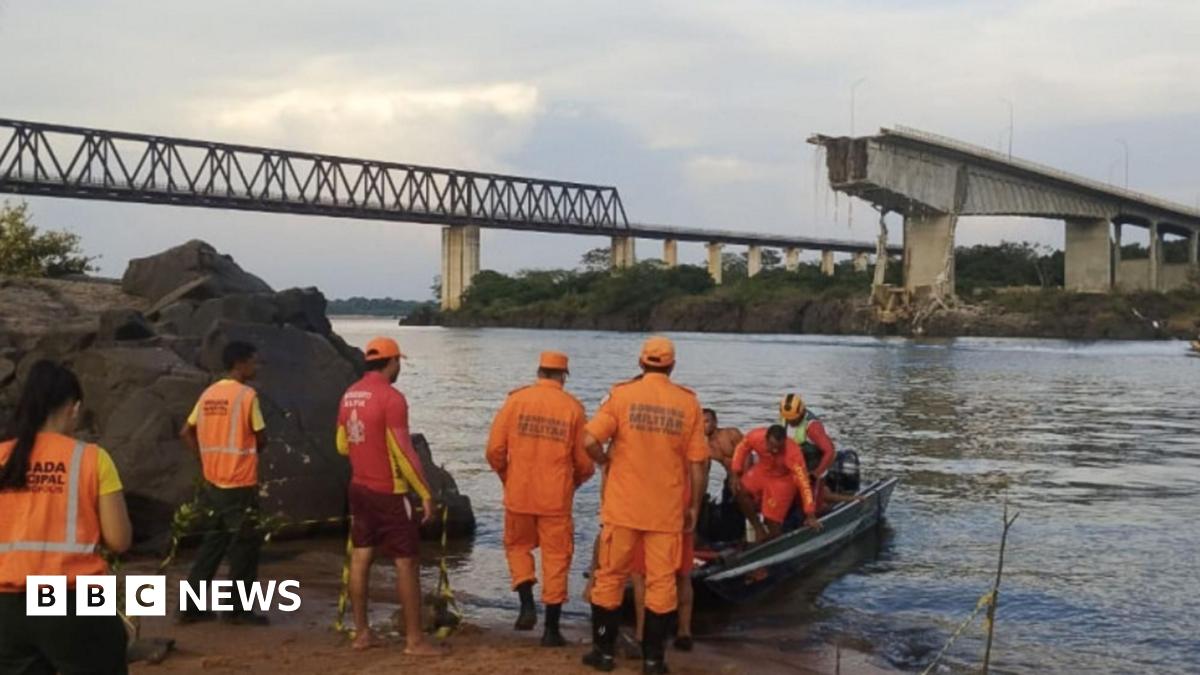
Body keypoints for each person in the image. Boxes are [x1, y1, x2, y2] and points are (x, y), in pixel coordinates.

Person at [581, 336, 709, 674]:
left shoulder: (621, 396)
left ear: (641, 363)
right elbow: (698, 463)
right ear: (672, 366)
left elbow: (589, 439)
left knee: (609, 579)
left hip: (622, 509)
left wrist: (604, 460)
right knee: (661, 584)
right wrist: (694, 507)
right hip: (666, 513)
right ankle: (654, 660)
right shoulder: (688, 403)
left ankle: (603, 653)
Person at [0, 360, 133, 674]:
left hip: (5, 607)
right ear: (73, 408)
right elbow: (119, 540)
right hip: (72, 601)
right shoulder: (91, 458)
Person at [335, 336, 443, 656]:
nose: (399, 368)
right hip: (389, 491)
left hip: (359, 487)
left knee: (361, 557)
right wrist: (425, 493)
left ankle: (363, 634)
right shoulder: (392, 398)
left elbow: (341, 444)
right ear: (392, 362)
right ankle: (415, 641)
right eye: (399, 362)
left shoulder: (349, 394)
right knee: (406, 563)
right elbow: (404, 451)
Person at [485, 351, 594, 647]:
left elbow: (494, 450)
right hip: (555, 499)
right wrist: (574, 483)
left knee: (517, 547)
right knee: (556, 559)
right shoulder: (573, 408)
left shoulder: (515, 401)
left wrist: (508, 477)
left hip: (518, 493)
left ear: (539, 372)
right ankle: (551, 630)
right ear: (563, 376)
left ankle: (526, 604)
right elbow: (585, 463)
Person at [180, 341, 269, 625]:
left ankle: (191, 607)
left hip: (214, 481)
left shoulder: (209, 394)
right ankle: (238, 610)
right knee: (245, 545)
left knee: (214, 543)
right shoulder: (246, 396)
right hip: (239, 481)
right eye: (254, 362)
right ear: (240, 364)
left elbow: (186, 431)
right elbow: (261, 436)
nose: (257, 367)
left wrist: (204, 460)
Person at [730, 425, 821, 542]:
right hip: (763, 470)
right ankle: (758, 529)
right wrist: (735, 472)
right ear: (766, 438)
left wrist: (810, 514)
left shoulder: (793, 453)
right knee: (739, 489)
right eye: (771, 446)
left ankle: (774, 541)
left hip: (783, 479)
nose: (775, 450)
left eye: (779, 447)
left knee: (771, 519)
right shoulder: (755, 436)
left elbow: (804, 483)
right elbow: (741, 448)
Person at [779, 393, 836, 482]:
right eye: (788, 419)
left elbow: (829, 451)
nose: (790, 421)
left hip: (813, 468)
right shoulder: (785, 417)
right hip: (793, 466)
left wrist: (816, 474)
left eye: (793, 419)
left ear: (801, 412)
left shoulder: (813, 427)